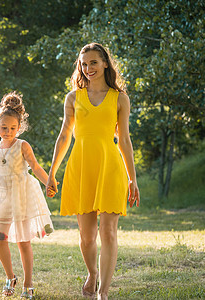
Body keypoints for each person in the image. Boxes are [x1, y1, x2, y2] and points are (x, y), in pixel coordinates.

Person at [46, 42, 140, 300]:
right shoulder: (73, 97)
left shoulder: (120, 98)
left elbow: (124, 140)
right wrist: (52, 172)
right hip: (81, 166)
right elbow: (65, 135)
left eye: (94, 63)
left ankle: (104, 293)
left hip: (110, 166)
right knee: (87, 237)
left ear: (105, 63)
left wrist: (133, 178)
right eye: (84, 64)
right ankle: (92, 273)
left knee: (108, 231)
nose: (88, 68)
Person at [0, 91, 54, 299]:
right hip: (0, 196)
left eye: (12, 128)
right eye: (3, 128)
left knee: (23, 240)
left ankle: (28, 284)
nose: (7, 131)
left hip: (21, 194)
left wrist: (49, 181)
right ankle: (10, 277)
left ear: (19, 128)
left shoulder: (22, 146)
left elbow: (36, 167)